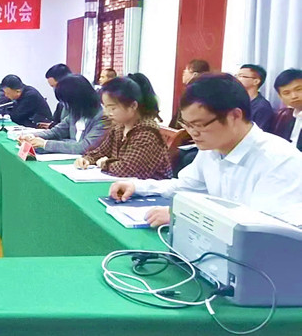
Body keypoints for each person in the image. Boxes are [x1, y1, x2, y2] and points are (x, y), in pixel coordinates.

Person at [109, 73, 302, 227]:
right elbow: (185, 186)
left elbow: (260, 227)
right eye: (187, 125)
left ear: (235, 116)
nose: (192, 133)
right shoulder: (212, 149)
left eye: (199, 125)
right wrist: (138, 187)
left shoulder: (280, 160)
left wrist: (183, 214)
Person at [75, 74, 172, 179]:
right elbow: (101, 152)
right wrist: (87, 159)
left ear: (133, 106)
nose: (107, 113)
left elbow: (128, 169)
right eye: (106, 107)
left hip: (149, 188)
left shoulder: (147, 134)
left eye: (112, 108)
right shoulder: (119, 128)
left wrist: (105, 163)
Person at [19, 74, 107, 154]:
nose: (65, 106)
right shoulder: (76, 112)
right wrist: (32, 136)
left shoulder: (102, 117)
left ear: (78, 99)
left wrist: (45, 144)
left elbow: (84, 147)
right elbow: (56, 132)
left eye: (67, 102)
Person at [169, 59, 210, 128]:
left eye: (186, 71)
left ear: (195, 74)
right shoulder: (207, 91)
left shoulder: (192, 93)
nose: (183, 74)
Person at [235, 64, 274, 132]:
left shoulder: (262, 107)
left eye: (241, 76)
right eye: (236, 76)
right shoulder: (236, 101)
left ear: (256, 81)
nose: (236, 79)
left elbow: (259, 133)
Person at [272, 68, 302, 151]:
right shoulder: (285, 116)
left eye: (299, 89)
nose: (294, 96)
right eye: (286, 93)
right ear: (280, 97)